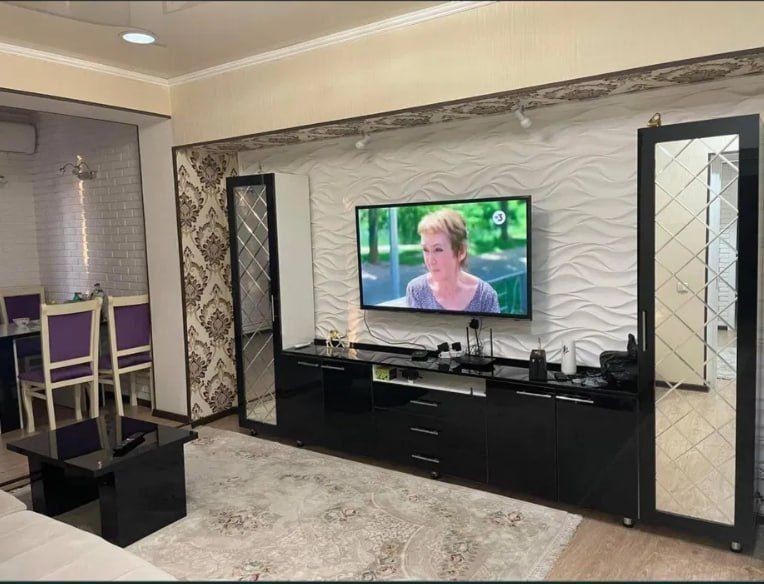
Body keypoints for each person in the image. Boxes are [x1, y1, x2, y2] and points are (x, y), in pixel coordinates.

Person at [406, 208, 500, 313]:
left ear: (461, 251)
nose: (430, 260)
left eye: (438, 249)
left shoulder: (484, 296)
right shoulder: (417, 291)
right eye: (425, 250)